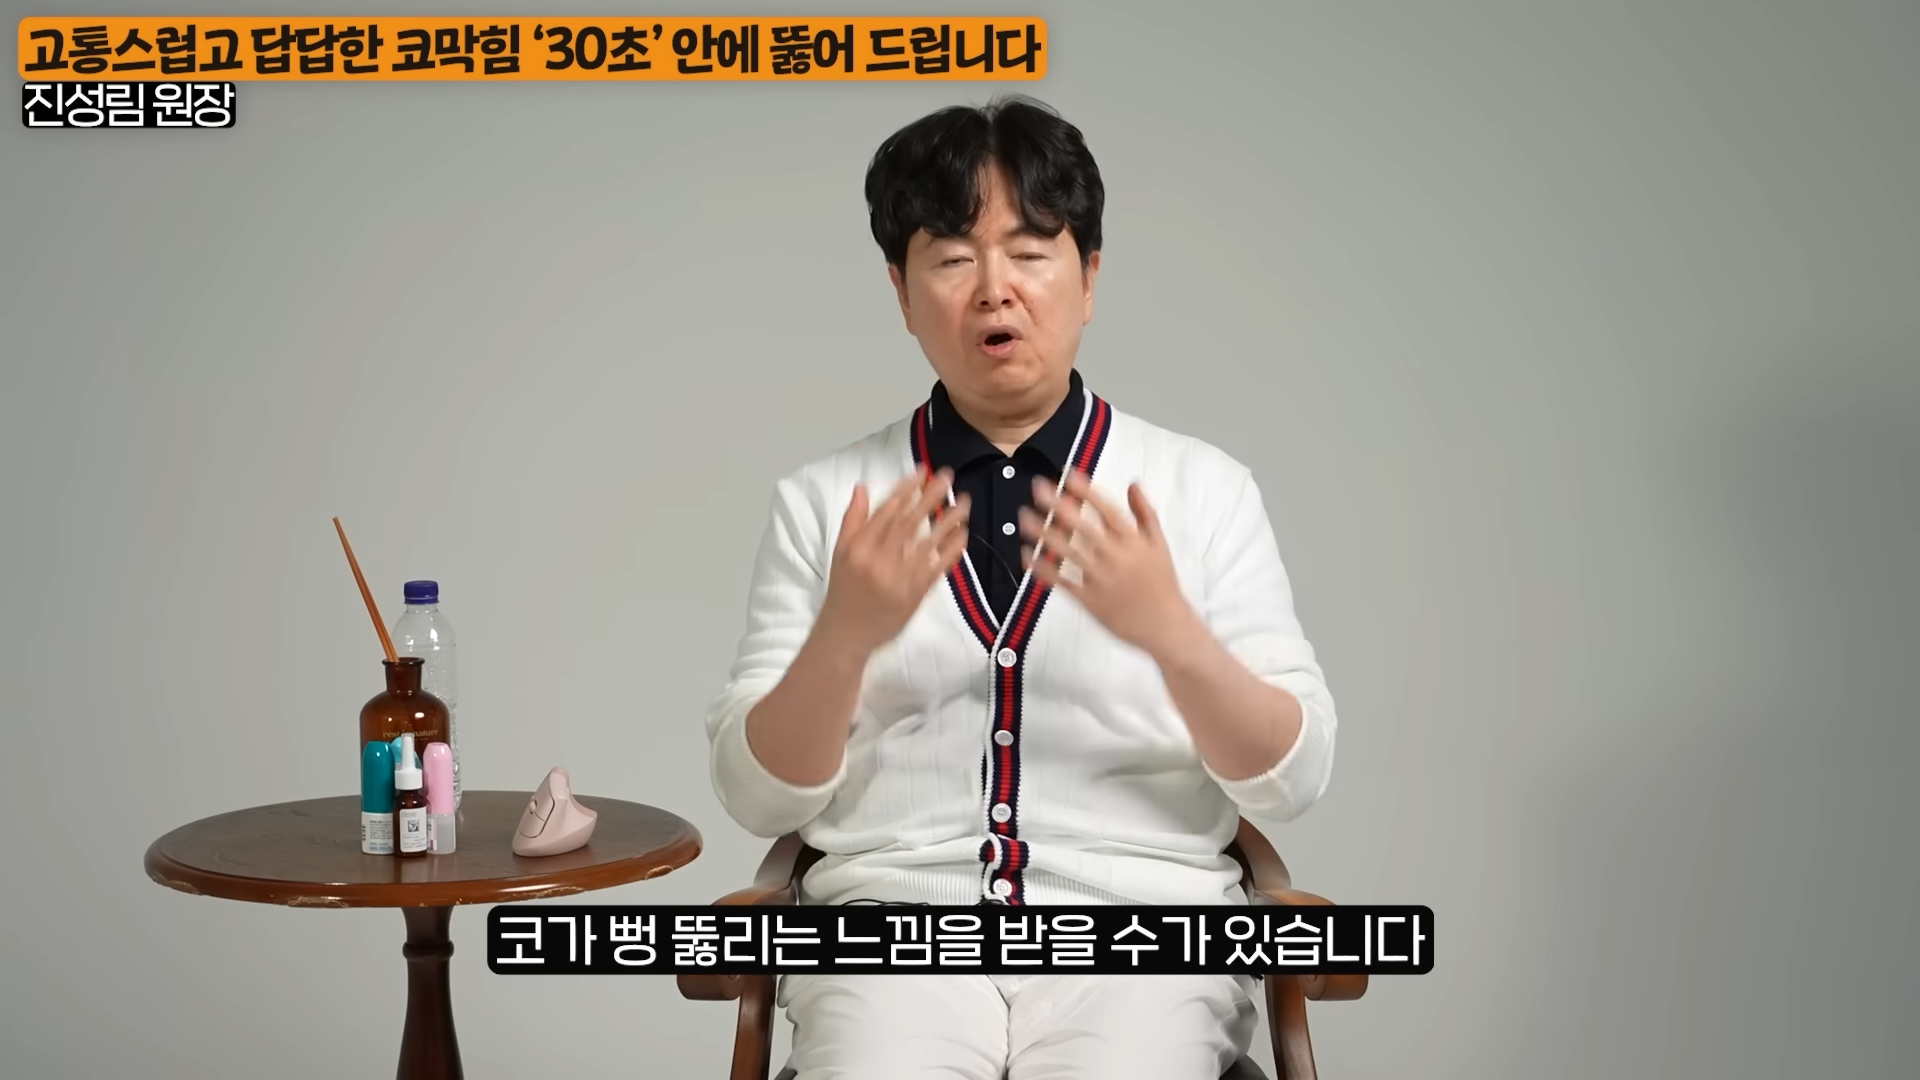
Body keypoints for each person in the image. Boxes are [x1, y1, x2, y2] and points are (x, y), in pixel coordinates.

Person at [704, 95, 1338, 1080]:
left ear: (1089, 279)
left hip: (1144, 941)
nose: (994, 289)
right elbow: (756, 796)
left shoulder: (1203, 491)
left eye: (1032, 252)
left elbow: (1293, 778)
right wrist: (844, 637)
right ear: (901, 292)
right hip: (891, 942)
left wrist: (1171, 634)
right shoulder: (824, 502)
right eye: (953, 258)